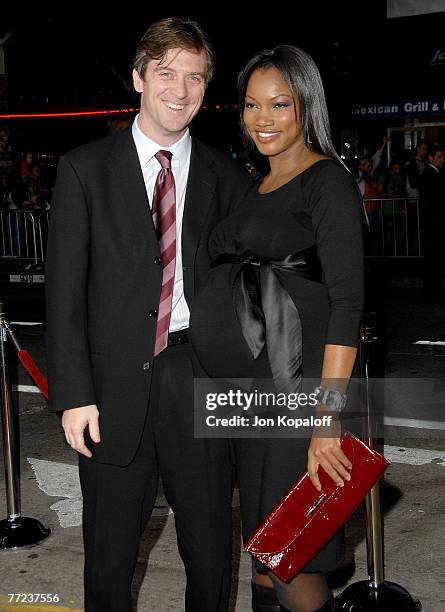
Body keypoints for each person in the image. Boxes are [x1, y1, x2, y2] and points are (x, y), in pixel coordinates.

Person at [45, 17, 251, 612]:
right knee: (108, 560)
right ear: (139, 78)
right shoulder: (85, 169)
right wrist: (74, 395)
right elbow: (65, 296)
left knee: (210, 555)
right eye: (166, 74)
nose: (180, 91)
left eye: (194, 77)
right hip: (109, 391)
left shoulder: (227, 176)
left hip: (199, 379)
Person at [190, 45, 364, 611]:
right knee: (268, 555)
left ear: (306, 106)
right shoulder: (256, 184)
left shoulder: (326, 183)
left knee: (290, 558)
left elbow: (346, 307)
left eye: (279, 104)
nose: (263, 119)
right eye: (251, 105)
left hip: (299, 397)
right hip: (252, 403)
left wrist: (326, 421)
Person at [418, 143, 445, 298]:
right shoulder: (429, 175)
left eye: (442, 157)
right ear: (431, 158)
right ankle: (431, 290)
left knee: (435, 257)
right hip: (433, 223)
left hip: (433, 223)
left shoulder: (434, 174)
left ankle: (433, 289)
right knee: (433, 257)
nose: (442, 160)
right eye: (439, 157)